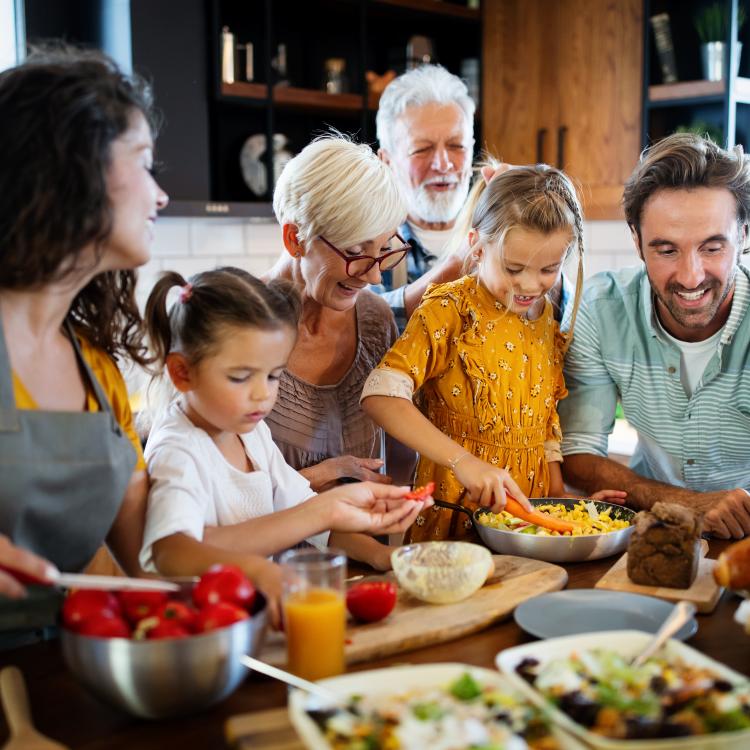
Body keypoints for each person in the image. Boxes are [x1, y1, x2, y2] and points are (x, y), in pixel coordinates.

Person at [140, 267, 428, 612]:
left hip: (261, 615)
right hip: (213, 625)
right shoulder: (179, 448)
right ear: (182, 372)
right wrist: (260, 568)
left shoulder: (251, 432)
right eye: (240, 377)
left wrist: (381, 555)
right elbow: (170, 551)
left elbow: (305, 514)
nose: (263, 394)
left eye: (274, 375)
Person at [362, 165, 625, 542]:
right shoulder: (449, 310)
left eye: (549, 269)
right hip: (456, 515)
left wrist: (564, 507)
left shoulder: (546, 319)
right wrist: (463, 461)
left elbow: (545, 428)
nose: (530, 285)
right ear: (478, 245)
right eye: (514, 268)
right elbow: (380, 396)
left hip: (527, 523)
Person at [0, 46, 169, 616]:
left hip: (67, 677)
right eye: (143, 161)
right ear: (72, 167)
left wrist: (311, 519)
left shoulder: (95, 368)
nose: (160, 194)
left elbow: (145, 557)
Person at [559, 132, 750, 540]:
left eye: (712, 248)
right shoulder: (601, 309)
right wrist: (688, 504)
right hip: (653, 529)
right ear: (636, 242)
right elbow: (578, 455)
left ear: (744, 236)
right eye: (666, 250)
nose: (691, 276)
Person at [263, 136, 417, 536]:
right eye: (355, 252)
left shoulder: (373, 318)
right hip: (266, 575)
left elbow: (400, 457)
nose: (374, 275)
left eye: (384, 250)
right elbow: (213, 495)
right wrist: (323, 476)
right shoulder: (233, 324)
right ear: (294, 238)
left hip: (366, 563)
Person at [374, 65, 477, 331]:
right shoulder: (368, 244)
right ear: (387, 161)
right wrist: (454, 268)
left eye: (457, 146)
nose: (443, 164)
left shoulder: (498, 228)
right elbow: (359, 325)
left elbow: (563, 317)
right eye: (422, 149)